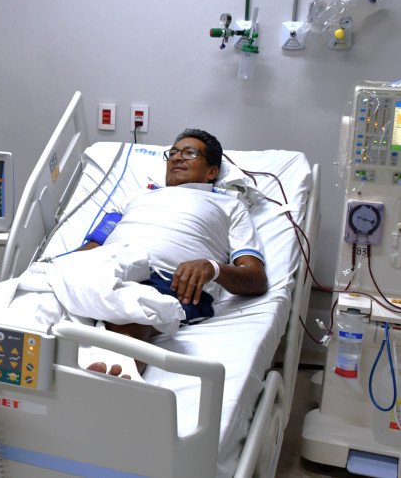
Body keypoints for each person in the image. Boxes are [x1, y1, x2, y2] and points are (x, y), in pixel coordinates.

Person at [82, 128, 268, 376]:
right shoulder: (136, 196)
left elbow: (256, 277)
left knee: (139, 309)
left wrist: (212, 268)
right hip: (105, 266)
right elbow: (94, 245)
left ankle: (114, 375)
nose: (177, 158)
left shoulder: (229, 206)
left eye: (190, 153)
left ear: (212, 172)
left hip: (172, 281)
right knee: (36, 301)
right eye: (172, 153)